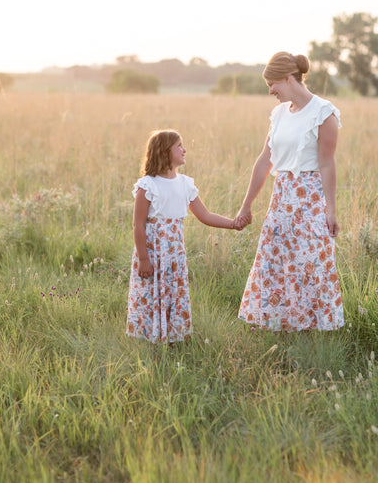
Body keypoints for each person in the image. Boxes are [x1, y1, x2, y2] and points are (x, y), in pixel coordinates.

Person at [235, 51, 344, 332]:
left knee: (308, 264)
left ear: (287, 78)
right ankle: (279, 327)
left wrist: (331, 210)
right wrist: (247, 205)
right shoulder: (279, 113)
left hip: (310, 199)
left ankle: (311, 332)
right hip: (281, 197)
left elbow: (327, 164)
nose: (270, 90)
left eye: (272, 83)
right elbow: (264, 160)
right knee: (275, 263)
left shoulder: (324, 112)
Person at [127, 129, 240, 344]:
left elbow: (204, 215)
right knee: (151, 293)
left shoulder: (185, 184)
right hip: (152, 253)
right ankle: (149, 339)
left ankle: (172, 338)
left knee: (173, 292)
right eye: (179, 146)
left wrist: (233, 224)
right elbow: (138, 225)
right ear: (164, 152)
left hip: (175, 255)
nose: (184, 149)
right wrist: (143, 259)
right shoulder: (148, 185)